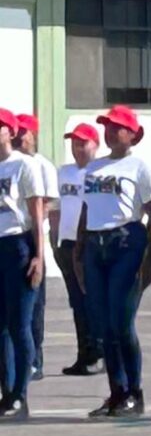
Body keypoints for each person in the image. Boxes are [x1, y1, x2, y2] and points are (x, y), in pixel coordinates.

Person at [74, 105, 151, 419]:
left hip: (126, 240)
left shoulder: (139, 168)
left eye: (118, 127)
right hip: (96, 244)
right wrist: (79, 251)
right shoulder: (94, 168)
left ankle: (134, 392)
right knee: (104, 324)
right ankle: (116, 392)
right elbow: (86, 211)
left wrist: (148, 260)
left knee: (122, 322)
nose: (111, 131)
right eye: (107, 126)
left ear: (133, 134)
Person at [0, 112, 44, 420]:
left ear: (10, 131)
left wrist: (39, 256)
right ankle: (5, 393)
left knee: (19, 324)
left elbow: (36, 213)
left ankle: (20, 394)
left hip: (19, 244)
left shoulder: (24, 165)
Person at [50, 121, 98, 378]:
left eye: (83, 143)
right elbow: (55, 208)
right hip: (67, 243)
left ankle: (98, 352)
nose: (78, 148)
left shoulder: (98, 172)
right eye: (74, 143)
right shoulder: (64, 172)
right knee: (77, 302)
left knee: (92, 300)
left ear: (95, 145)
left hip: (89, 243)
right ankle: (84, 353)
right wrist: (54, 240)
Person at [9, 113, 54, 381]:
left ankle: (35, 358)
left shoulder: (40, 166)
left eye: (23, 132)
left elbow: (47, 203)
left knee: (35, 305)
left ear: (32, 135)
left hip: (34, 239)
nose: (19, 137)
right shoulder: (11, 164)